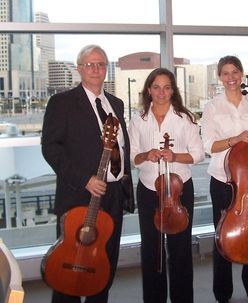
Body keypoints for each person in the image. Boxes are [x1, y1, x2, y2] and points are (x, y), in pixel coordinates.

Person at [41, 44, 135, 303]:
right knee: (68, 266)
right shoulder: (62, 103)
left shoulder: (116, 103)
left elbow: (121, 146)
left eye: (101, 64)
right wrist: (85, 179)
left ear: (107, 68)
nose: (96, 69)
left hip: (113, 194)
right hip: (79, 195)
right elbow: (51, 149)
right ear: (79, 68)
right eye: (90, 64)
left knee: (104, 264)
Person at [128, 67, 205, 303]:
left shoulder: (185, 119)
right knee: (152, 251)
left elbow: (199, 154)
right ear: (148, 91)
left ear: (173, 91)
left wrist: (176, 156)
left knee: (180, 250)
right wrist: (146, 155)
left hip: (179, 190)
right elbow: (132, 157)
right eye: (156, 87)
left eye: (167, 87)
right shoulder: (138, 120)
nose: (161, 92)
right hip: (149, 190)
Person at [201, 55, 248, 303]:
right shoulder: (212, 107)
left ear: (242, 75)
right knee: (223, 237)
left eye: (235, 72)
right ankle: (222, 294)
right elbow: (209, 145)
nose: (231, 78)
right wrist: (237, 138)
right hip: (222, 180)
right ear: (219, 77)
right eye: (225, 73)